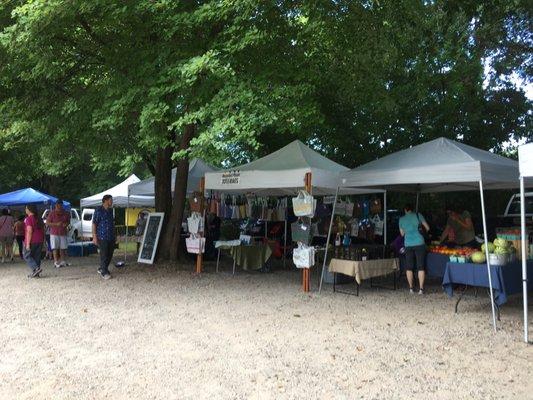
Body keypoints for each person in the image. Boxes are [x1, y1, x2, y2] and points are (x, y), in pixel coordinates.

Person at [399, 204, 430, 295]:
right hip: (420, 243)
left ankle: (411, 289)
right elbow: (427, 228)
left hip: (408, 244)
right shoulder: (418, 215)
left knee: (409, 267)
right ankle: (421, 289)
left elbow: (402, 234)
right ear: (412, 209)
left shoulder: (401, 219)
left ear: (405, 209)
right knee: (421, 266)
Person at [92, 195, 115, 280]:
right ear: (105, 201)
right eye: (110, 200)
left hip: (111, 236)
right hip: (102, 236)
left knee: (110, 253)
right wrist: (94, 236)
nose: (112, 201)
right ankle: (104, 272)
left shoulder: (110, 210)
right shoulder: (98, 210)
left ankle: (102, 267)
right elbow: (94, 223)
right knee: (104, 254)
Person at [46, 200, 71, 268]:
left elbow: (68, 221)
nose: (59, 206)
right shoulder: (52, 213)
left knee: (63, 247)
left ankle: (63, 261)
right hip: (54, 233)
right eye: (58, 205)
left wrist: (66, 224)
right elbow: (47, 223)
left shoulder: (66, 213)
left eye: (61, 205)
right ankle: (56, 262)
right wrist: (56, 224)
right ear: (56, 205)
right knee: (55, 248)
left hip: (63, 232)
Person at [23, 204, 45, 278]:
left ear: (29, 209)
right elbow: (43, 230)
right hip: (40, 240)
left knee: (26, 255)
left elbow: (29, 231)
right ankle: (36, 273)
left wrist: (28, 244)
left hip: (32, 240)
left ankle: (36, 269)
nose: (25, 210)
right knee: (37, 256)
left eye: (26, 208)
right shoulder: (39, 218)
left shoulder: (28, 219)